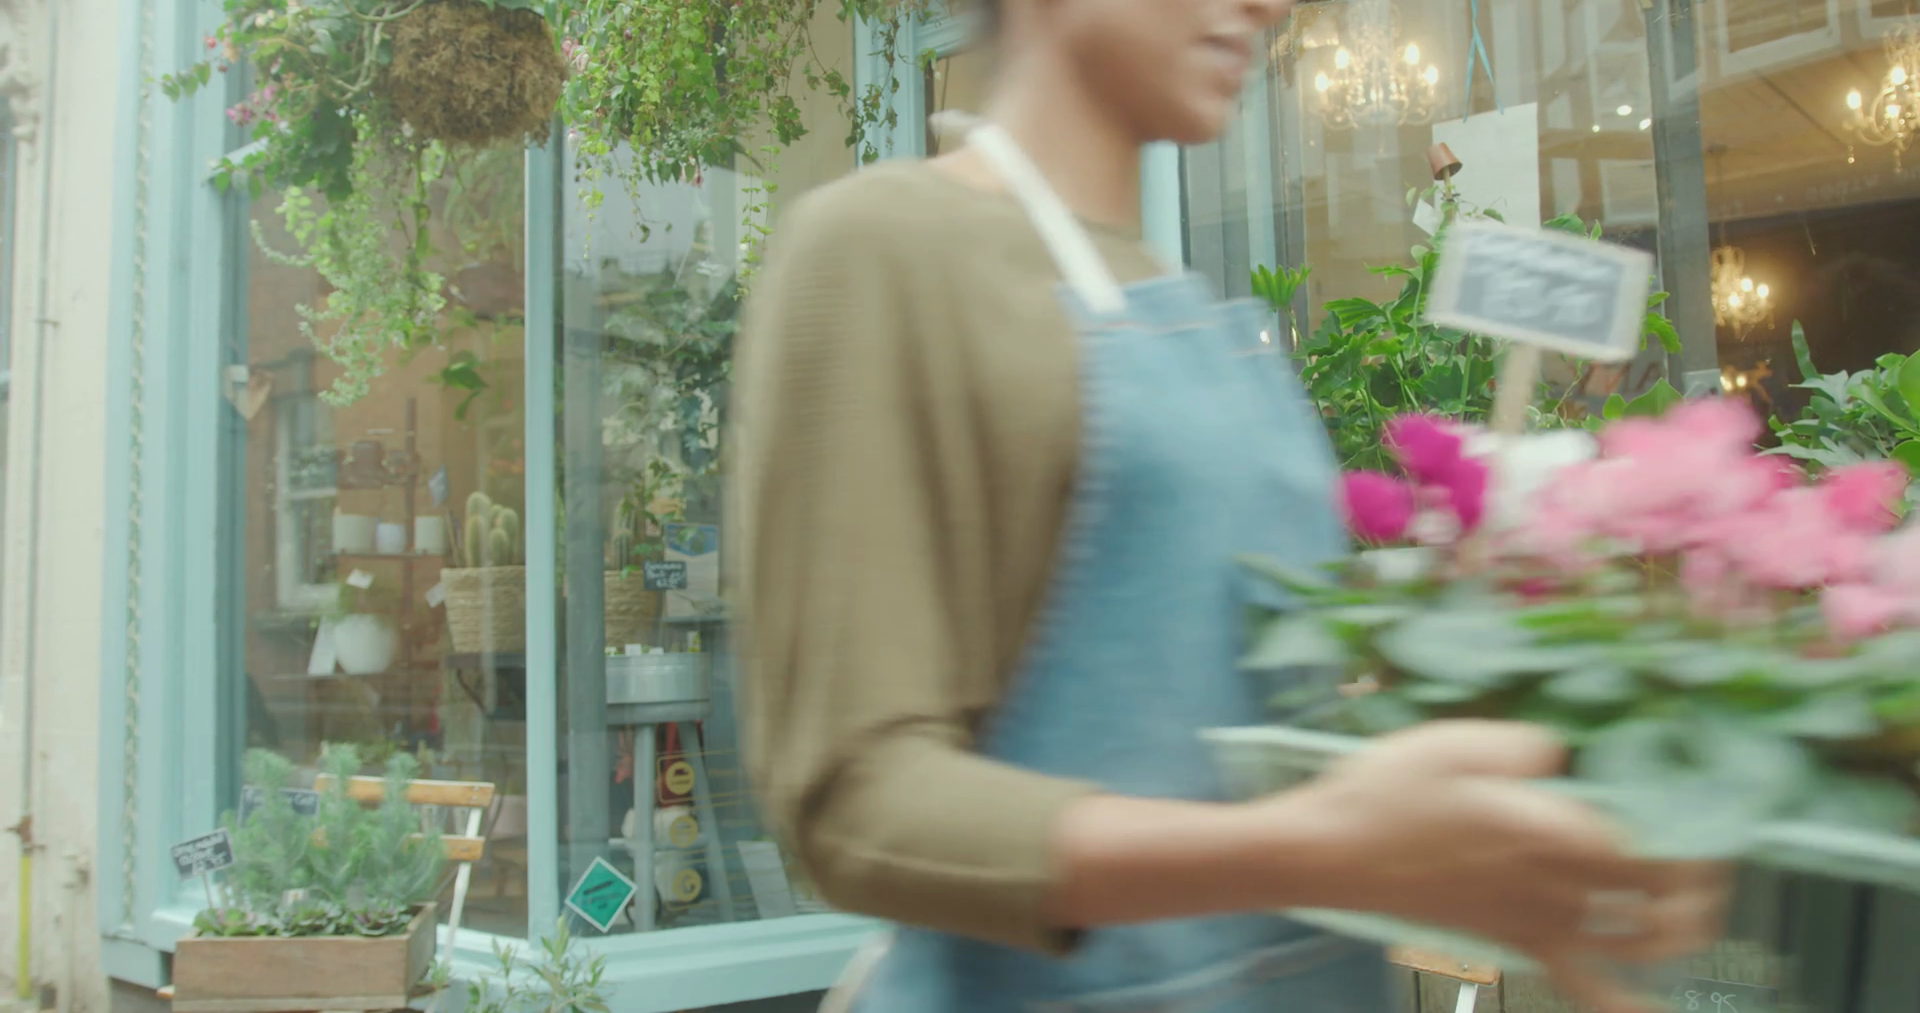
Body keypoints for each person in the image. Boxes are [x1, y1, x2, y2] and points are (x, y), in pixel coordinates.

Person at [729, 0, 1726, 1008]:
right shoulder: (883, 248)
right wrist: (1319, 845)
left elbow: (1234, 729)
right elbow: (856, 805)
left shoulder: (1191, 307)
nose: (1268, 6)